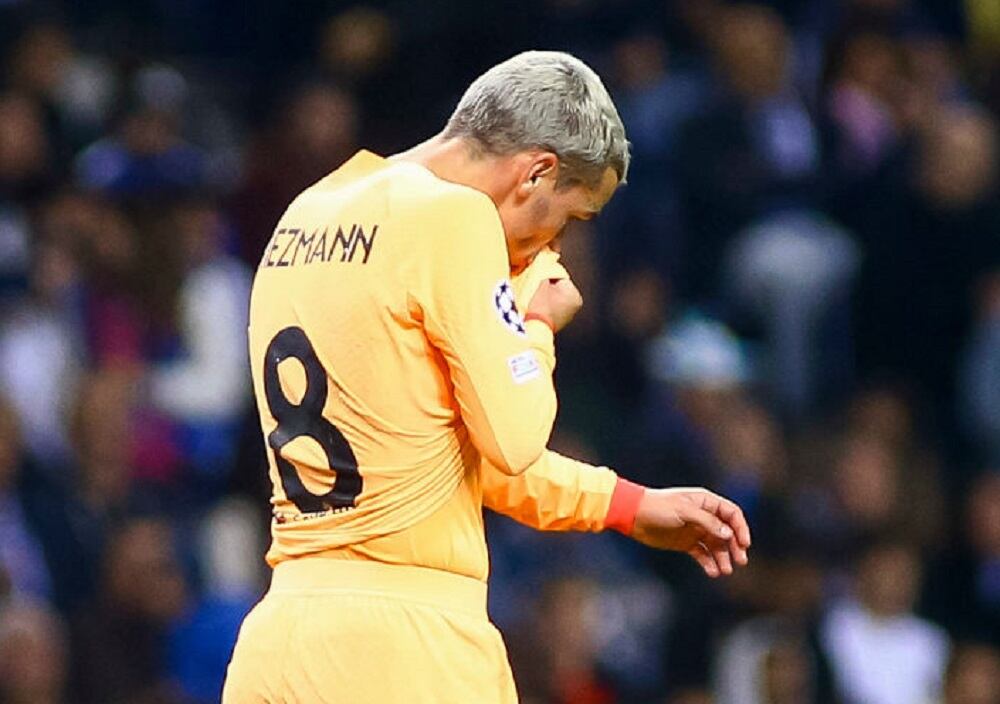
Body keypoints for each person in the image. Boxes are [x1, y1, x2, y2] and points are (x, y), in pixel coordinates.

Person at [223, 50, 751, 704]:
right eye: (569, 218)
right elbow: (513, 434)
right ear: (536, 172)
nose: (552, 248)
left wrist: (630, 505)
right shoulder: (454, 217)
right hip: (411, 648)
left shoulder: (306, 213)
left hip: (282, 636)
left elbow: (447, 459)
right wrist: (535, 325)